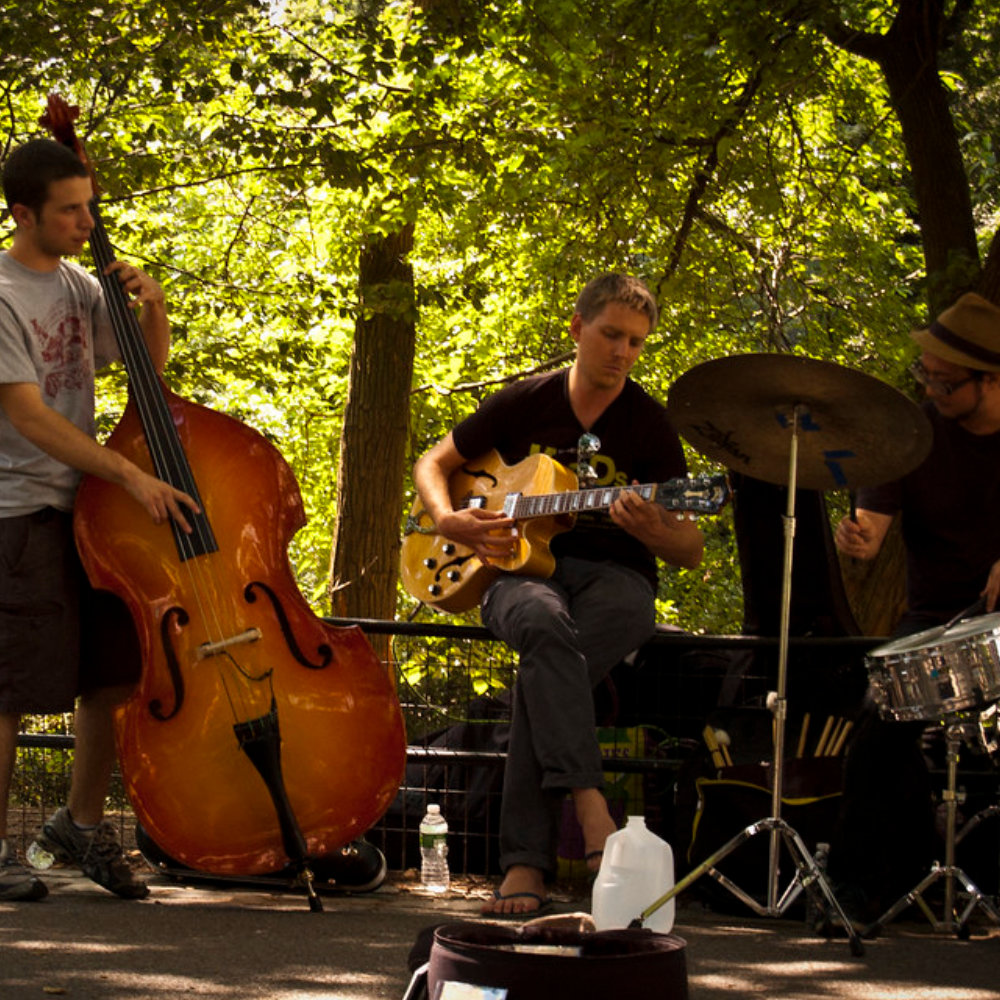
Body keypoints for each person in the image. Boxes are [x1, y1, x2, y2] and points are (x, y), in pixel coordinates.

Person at [412, 273, 704, 916]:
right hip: (512, 569)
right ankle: (589, 805)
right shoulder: (526, 403)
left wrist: (657, 530)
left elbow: (690, 548)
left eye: (635, 342)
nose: (623, 351)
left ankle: (524, 861)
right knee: (544, 630)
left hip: (617, 580)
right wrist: (448, 519)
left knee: (554, 664)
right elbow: (432, 465)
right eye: (611, 335)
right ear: (576, 329)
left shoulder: (651, 425)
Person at [0, 138, 199, 902]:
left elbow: (146, 372)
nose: (88, 219)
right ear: (24, 213)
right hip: (19, 511)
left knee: (111, 676)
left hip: (86, 511)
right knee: (9, 690)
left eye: (89, 204)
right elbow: (26, 415)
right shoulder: (4, 294)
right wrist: (127, 473)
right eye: (70, 209)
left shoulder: (82, 285)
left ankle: (79, 828)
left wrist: (154, 306)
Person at [832, 291, 1000, 917]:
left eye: (946, 382)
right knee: (881, 715)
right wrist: (861, 538)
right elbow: (871, 527)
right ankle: (861, 883)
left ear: (990, 380)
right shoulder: (913, 432)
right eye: (924, 375)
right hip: (937, 620)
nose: (931, 389)